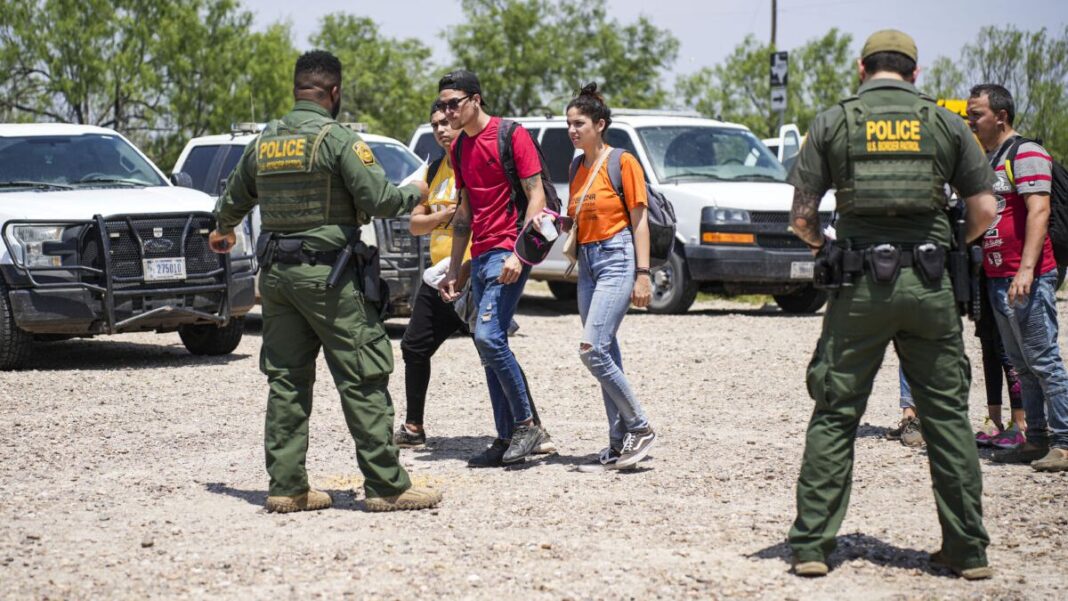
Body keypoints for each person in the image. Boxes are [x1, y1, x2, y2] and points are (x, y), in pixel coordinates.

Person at [785, 30, 997, 579]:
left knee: (835, 410)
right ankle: (967, 550)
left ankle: (811, 546)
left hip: (858, 287)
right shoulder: (948, 123)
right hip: (931, 287)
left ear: (862, 68)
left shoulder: (834, 121)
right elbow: (985, 211)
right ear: (915, 73)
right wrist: (950, 248)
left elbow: (802, 218)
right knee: (947, 415)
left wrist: (829, 249)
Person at [209, 50, 441, 513]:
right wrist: (417, 190)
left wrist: (224, 229)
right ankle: (386, 486)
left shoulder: (266, 141)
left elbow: (232, 201)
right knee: (362, 373)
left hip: (276, 277)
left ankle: (287, 487)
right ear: (334, 93)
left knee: (287, 381)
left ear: (297, 89)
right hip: (328, 278)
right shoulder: (337, 139)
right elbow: (378, 199)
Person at [394, 102, 553, 453]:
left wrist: (494, 258)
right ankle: (416, 425)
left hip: (482, 264)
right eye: (435, 123)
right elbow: (417, 223)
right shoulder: (435, 168)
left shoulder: (490, 148)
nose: (441, 128)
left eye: (447, 118)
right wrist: (445, 220)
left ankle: (531, 428)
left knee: (491, 343)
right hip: (444, 274)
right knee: (417, 346)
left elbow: (527, 199)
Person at [437, 70, 553, 466]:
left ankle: (527, 424)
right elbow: (464, 214)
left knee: (488, 336)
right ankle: (506, 439)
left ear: (476, 100)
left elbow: (535, 194)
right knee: (488, 344)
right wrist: (455, 269)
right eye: (442, 105)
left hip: (508, 251)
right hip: (481, 254)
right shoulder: (457, 149)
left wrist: (519, 255)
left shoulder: (511, 134)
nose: (447, 111)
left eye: (454, 103)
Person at [967, 83, 1068, 471]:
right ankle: (1036, 439)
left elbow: (1039, 211)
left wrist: (1026, 269)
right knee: (1020, 364)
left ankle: (1063, 440)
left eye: (977, 114)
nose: (971, 121)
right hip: (998, 278)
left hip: (1027, 277)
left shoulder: (1026, 153)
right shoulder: (991, 159)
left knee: (1044, 360)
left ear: (1001, 117)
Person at [562, 83, 656, 472]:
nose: (571, 130)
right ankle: (619, 443)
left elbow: (640, 222)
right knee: (606, 349)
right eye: (568, 123)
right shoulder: (575, 166)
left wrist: (643, 274)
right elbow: (576, 216)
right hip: (588, 261)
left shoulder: (623, 162)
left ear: (599, 124)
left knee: (592, 349)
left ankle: (640, 426)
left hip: (617, 257)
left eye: (579, 123)